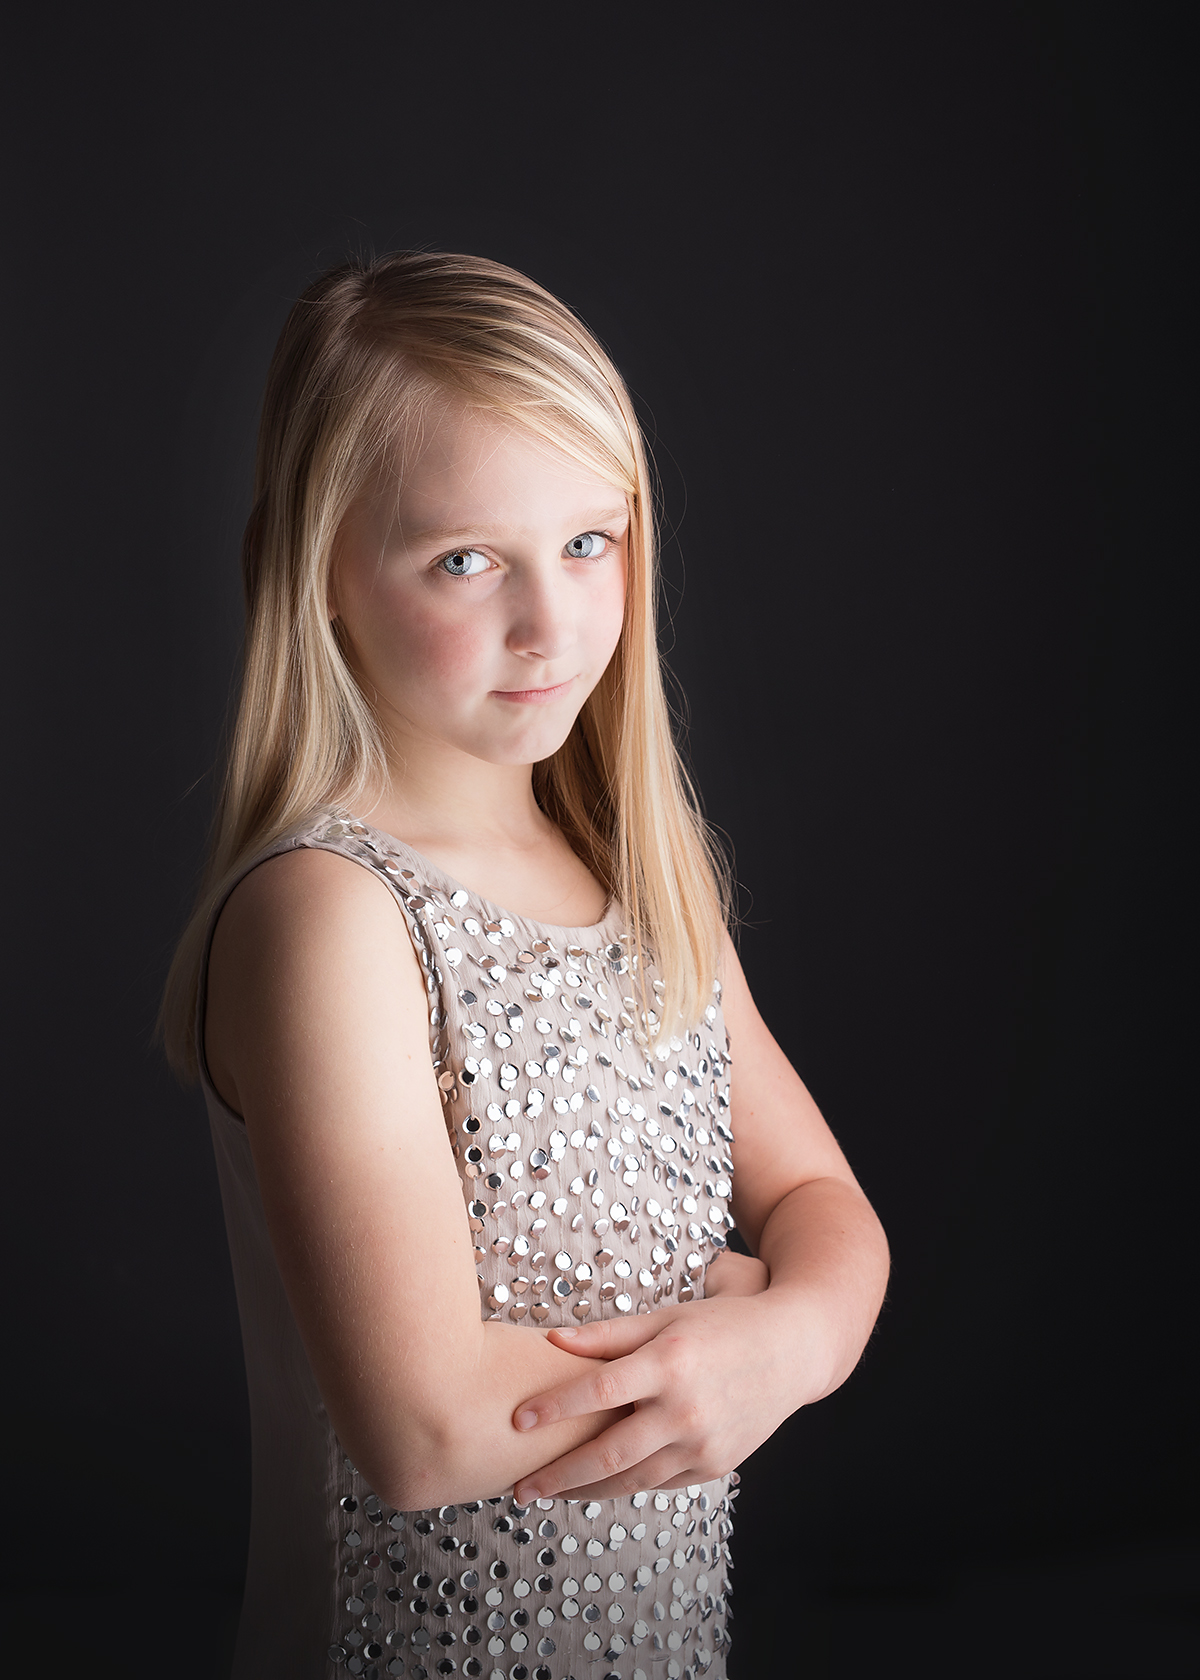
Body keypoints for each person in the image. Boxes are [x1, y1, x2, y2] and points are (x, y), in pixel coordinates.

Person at [162, 250, 890, 1680]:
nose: (550, 623)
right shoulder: (333, 915)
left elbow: (824, 1206)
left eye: (587, 543)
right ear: (319, 576)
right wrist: (724, 1332)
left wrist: (791, 1337)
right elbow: (427, 1431)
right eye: (464, 559)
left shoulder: (637, 883)